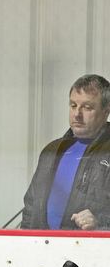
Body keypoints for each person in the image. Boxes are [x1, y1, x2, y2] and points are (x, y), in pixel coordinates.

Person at [21, 74, 110, 230]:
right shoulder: (51, 151)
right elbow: (30, 207)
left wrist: (99, 225)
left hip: (89, 251)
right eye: (73, 105)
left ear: (106, 111)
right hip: (42, 249)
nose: (77, 114)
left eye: (87, 107)